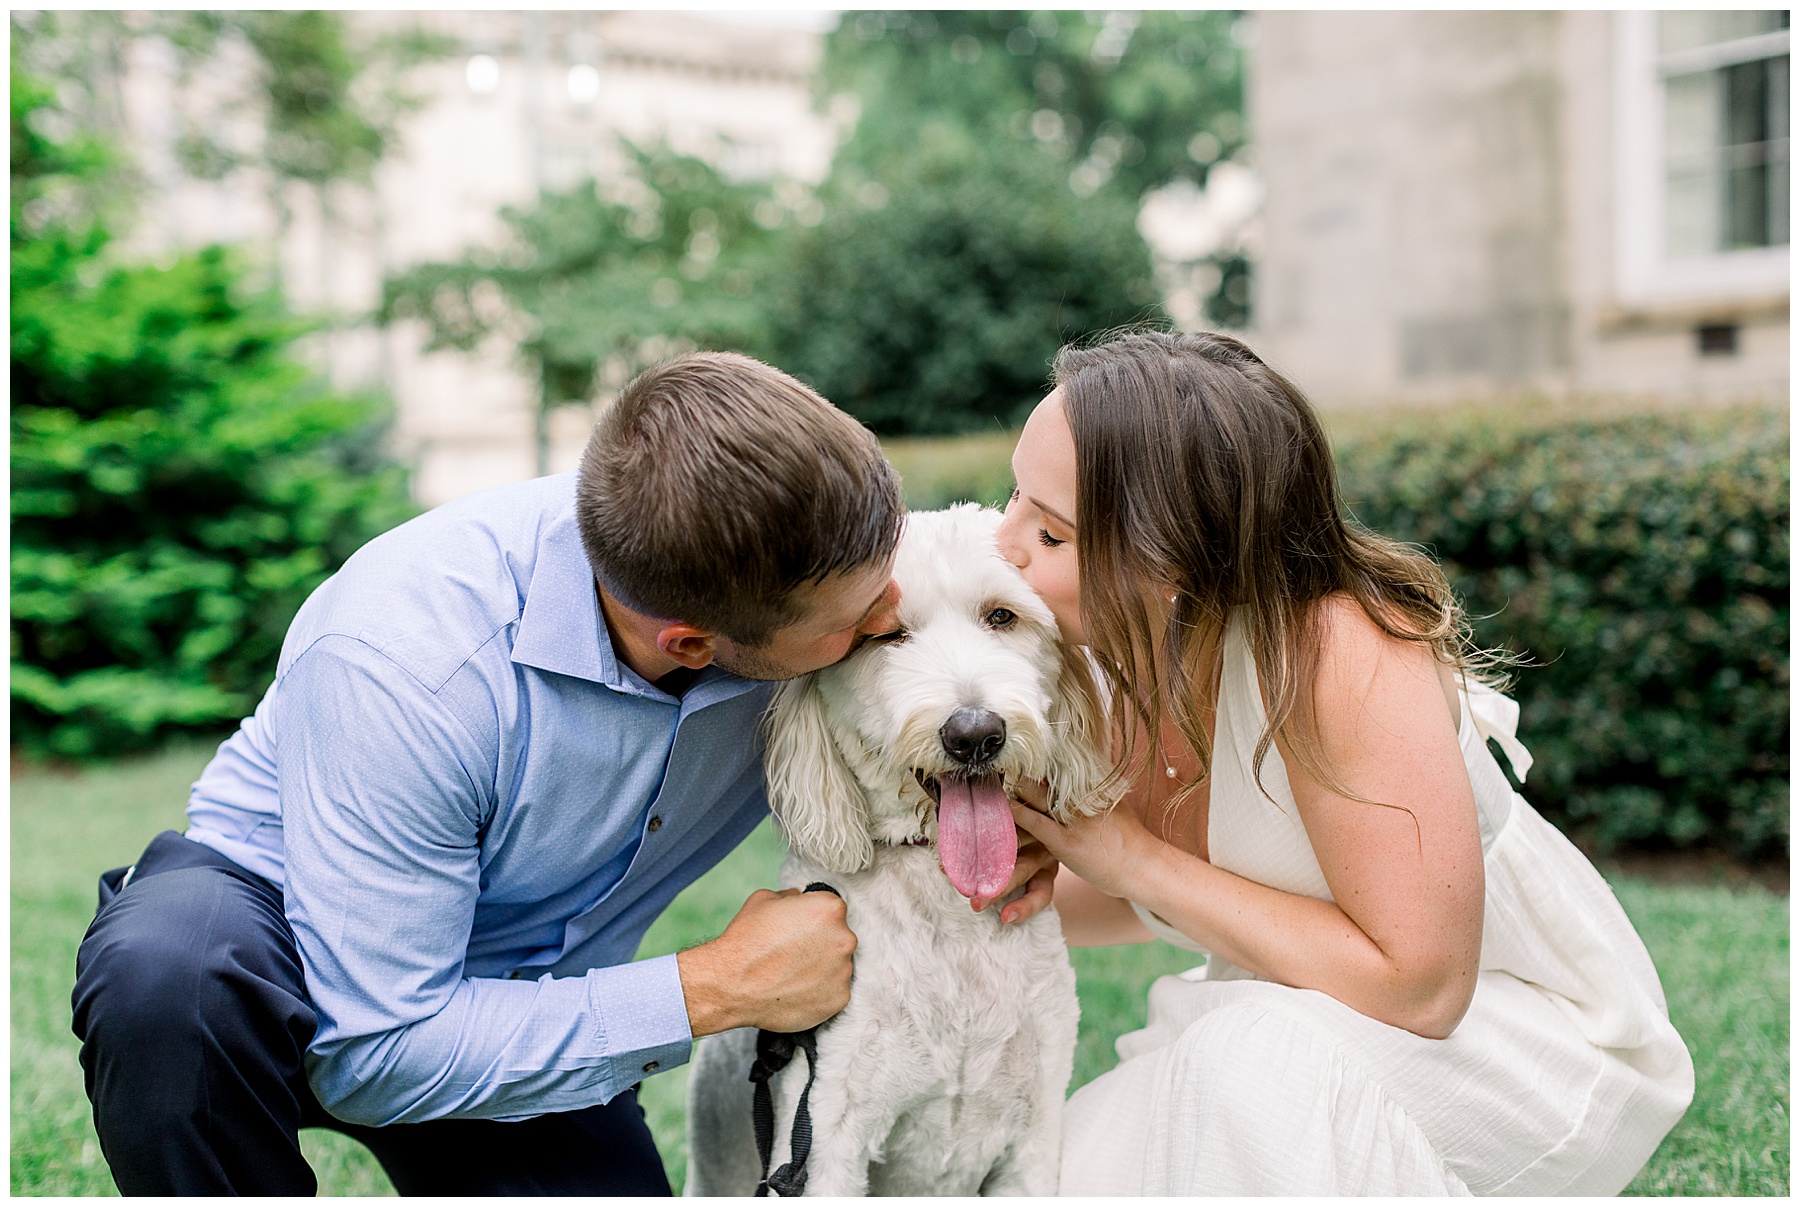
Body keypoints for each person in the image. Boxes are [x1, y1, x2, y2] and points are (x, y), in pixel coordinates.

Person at [70, 351, 1048, 1196]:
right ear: (696, 643)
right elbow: (376, 1047)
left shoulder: (795, 559)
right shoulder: (409, 657)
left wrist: (1064, 839)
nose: (891, 614)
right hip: (278, 940)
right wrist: (712, 987)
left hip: (529, 990)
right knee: (168, 977)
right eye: (864, 614)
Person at [996, 331, 1695, 1195]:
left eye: (1050, 532)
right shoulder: (1114, 657)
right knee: (1034, 1179)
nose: (1004, 543)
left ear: (1169, 558)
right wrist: (1011, 893)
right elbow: (1184, 880)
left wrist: (1131, 856)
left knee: (1241, 1071)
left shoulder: (1343, 650)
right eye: (1014, 498)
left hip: (1500, 1047)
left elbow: (1422, 988)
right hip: (1279, 1019)